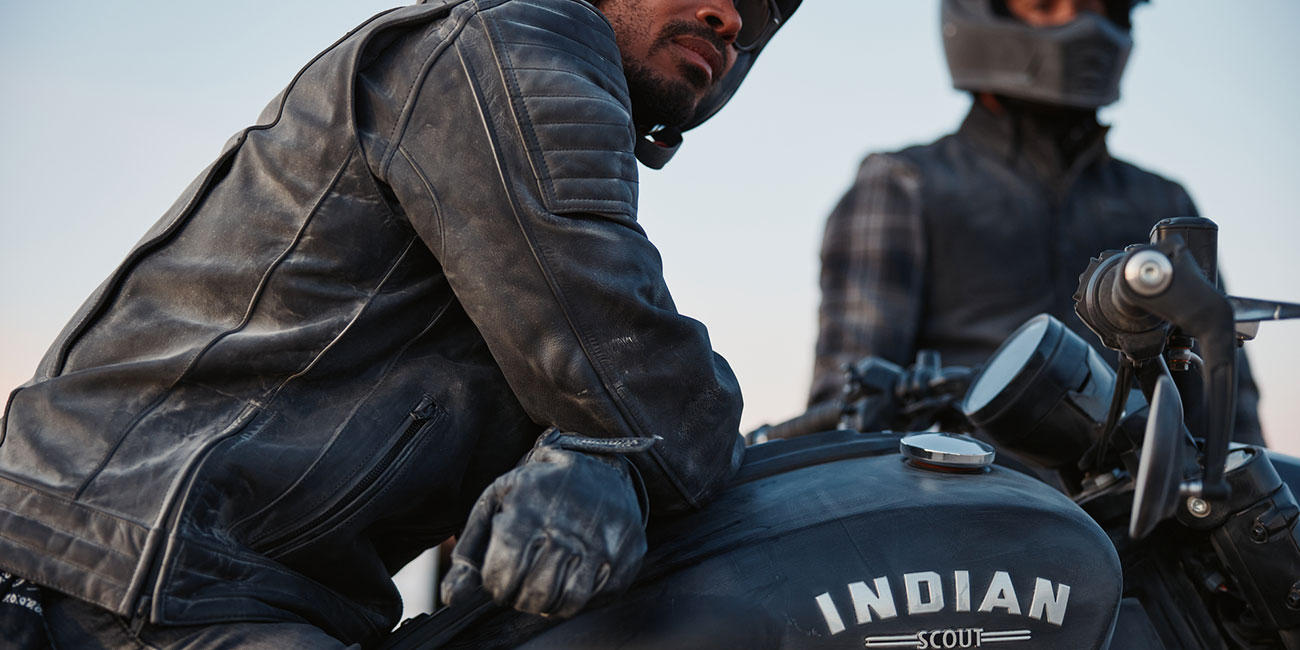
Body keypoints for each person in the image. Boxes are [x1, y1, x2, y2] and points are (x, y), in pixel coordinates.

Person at [0, 0, 802, 647]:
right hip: (131, 568)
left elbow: (604, 394)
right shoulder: (520, 43)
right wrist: (617, 456)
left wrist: (599, 461)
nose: (730, 18)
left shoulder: (533, 120)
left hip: (197, 572)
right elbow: (637, 377)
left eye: (761, 13)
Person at [809, 0, 1264, 444]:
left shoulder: (1164, 205)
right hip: (966, 487)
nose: (1084, 26)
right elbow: (850, 413)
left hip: (1144, 491)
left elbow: (1228, 409)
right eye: (1045, 6)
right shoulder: (904, 184)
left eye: (1098, 8)